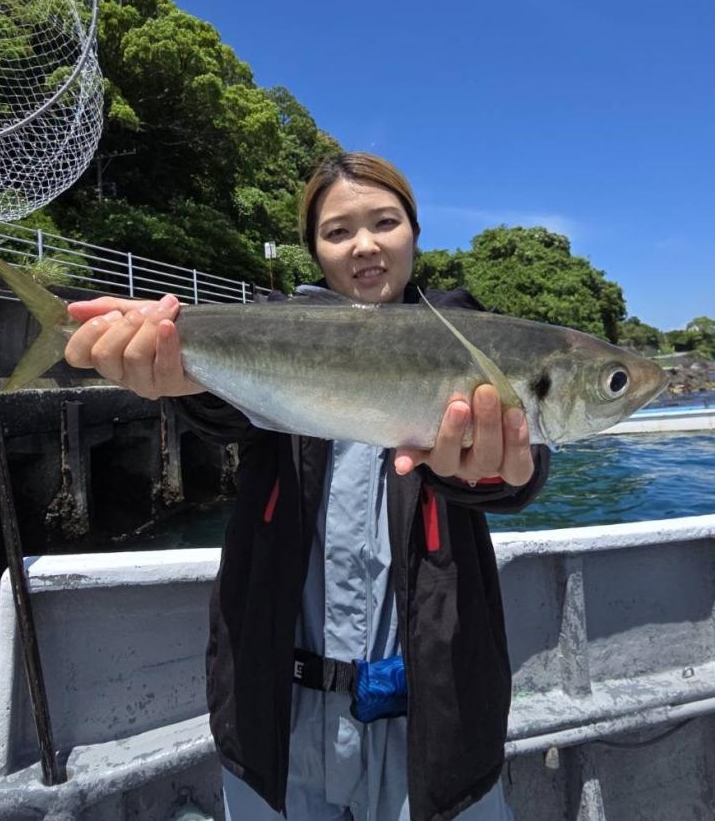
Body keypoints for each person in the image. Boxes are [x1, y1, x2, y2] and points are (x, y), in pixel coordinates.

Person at [65, 153, 550, 821]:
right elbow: (225, 414)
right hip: (276, 715)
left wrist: (494, 469)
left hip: (436, 719)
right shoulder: (276, 331)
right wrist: (172, 372)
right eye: (338, 231)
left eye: (385, 222)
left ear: (415, 232)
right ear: (315, 251)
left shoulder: (472, 340)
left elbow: (516, 477)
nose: (365, 245)